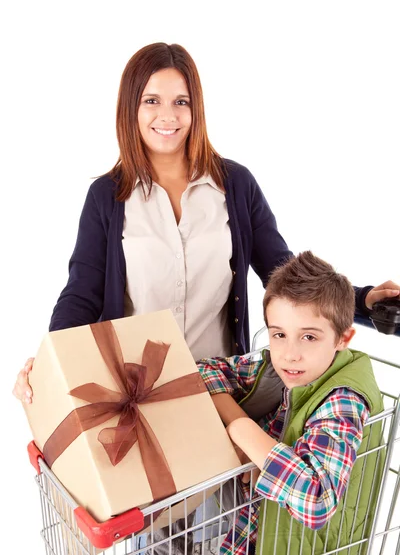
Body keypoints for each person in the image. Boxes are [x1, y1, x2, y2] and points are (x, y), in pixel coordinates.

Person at [12, 43, 399, 553]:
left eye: (181, 101)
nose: (167, 116)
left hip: (217, 398)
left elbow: (285, 277)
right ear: (131, 109)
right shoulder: (107, 198)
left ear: (197, 107)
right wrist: (48, 371)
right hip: (140, 402)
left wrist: (364, 298)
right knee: (148, 537)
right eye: (151, 101)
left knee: (215, 533)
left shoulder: (233, 185)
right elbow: (81, 295)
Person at [197, 251, 384, 555]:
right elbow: (204, 369)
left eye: (309, 337)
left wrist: (244, 432)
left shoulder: (343, 402)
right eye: (279, 334)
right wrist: (237, 422)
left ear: (342, 339)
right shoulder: (273, 365)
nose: (289, 353)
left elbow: (318, 500)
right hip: (256, 527)